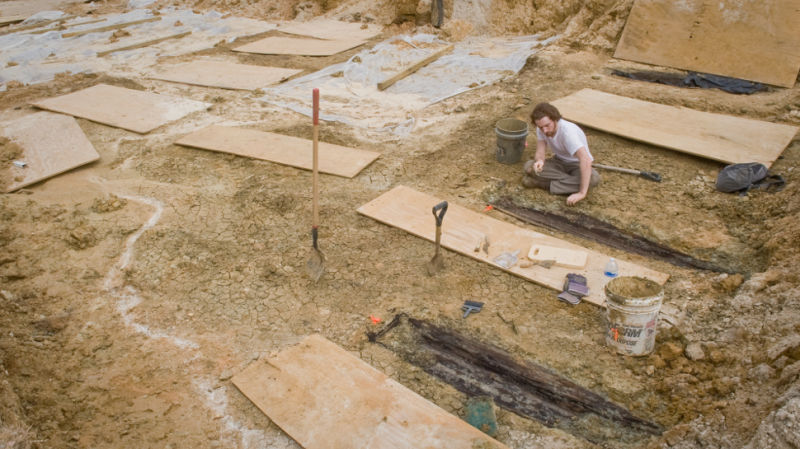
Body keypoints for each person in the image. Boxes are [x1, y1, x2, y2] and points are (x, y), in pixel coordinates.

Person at [522, 102, 600, 205]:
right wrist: (539, 161)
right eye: (541, 127)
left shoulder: (568, 133)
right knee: (529, 166)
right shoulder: (540, 128)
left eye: (547, 125)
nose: (544, 130)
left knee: (593, 179)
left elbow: (585, 160)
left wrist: (582, 193)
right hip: (558, 161)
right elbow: (540, 150)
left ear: (555, 119)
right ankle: (566, 184)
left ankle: (543, 184)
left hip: (576, 164)